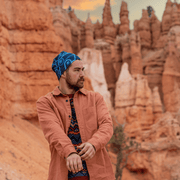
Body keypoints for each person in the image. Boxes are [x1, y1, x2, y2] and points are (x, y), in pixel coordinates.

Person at [36, 51, 115, 180]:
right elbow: (53, 132)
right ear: (62, 73)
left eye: (82, 70)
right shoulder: (46, 103)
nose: (82, 74)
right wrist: (70, 152)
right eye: (77, 70)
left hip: (99, 174)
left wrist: (93, 144)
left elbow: (107, 125)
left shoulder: (95, 98)